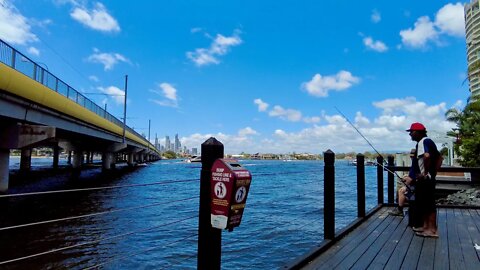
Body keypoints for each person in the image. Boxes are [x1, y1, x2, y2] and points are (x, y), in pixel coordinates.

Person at [406, 122, 441, 238]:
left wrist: (425, 173)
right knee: (424, 204)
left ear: (417, 132)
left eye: (411, 132)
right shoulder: (424, 142)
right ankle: (426, 227)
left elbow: (427, 156)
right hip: (426, 179)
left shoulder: (424, 141)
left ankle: (432, 230)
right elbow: (440, 158)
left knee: (429, 205)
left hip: (425, 180)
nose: (410, 134)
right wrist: (433, 173)